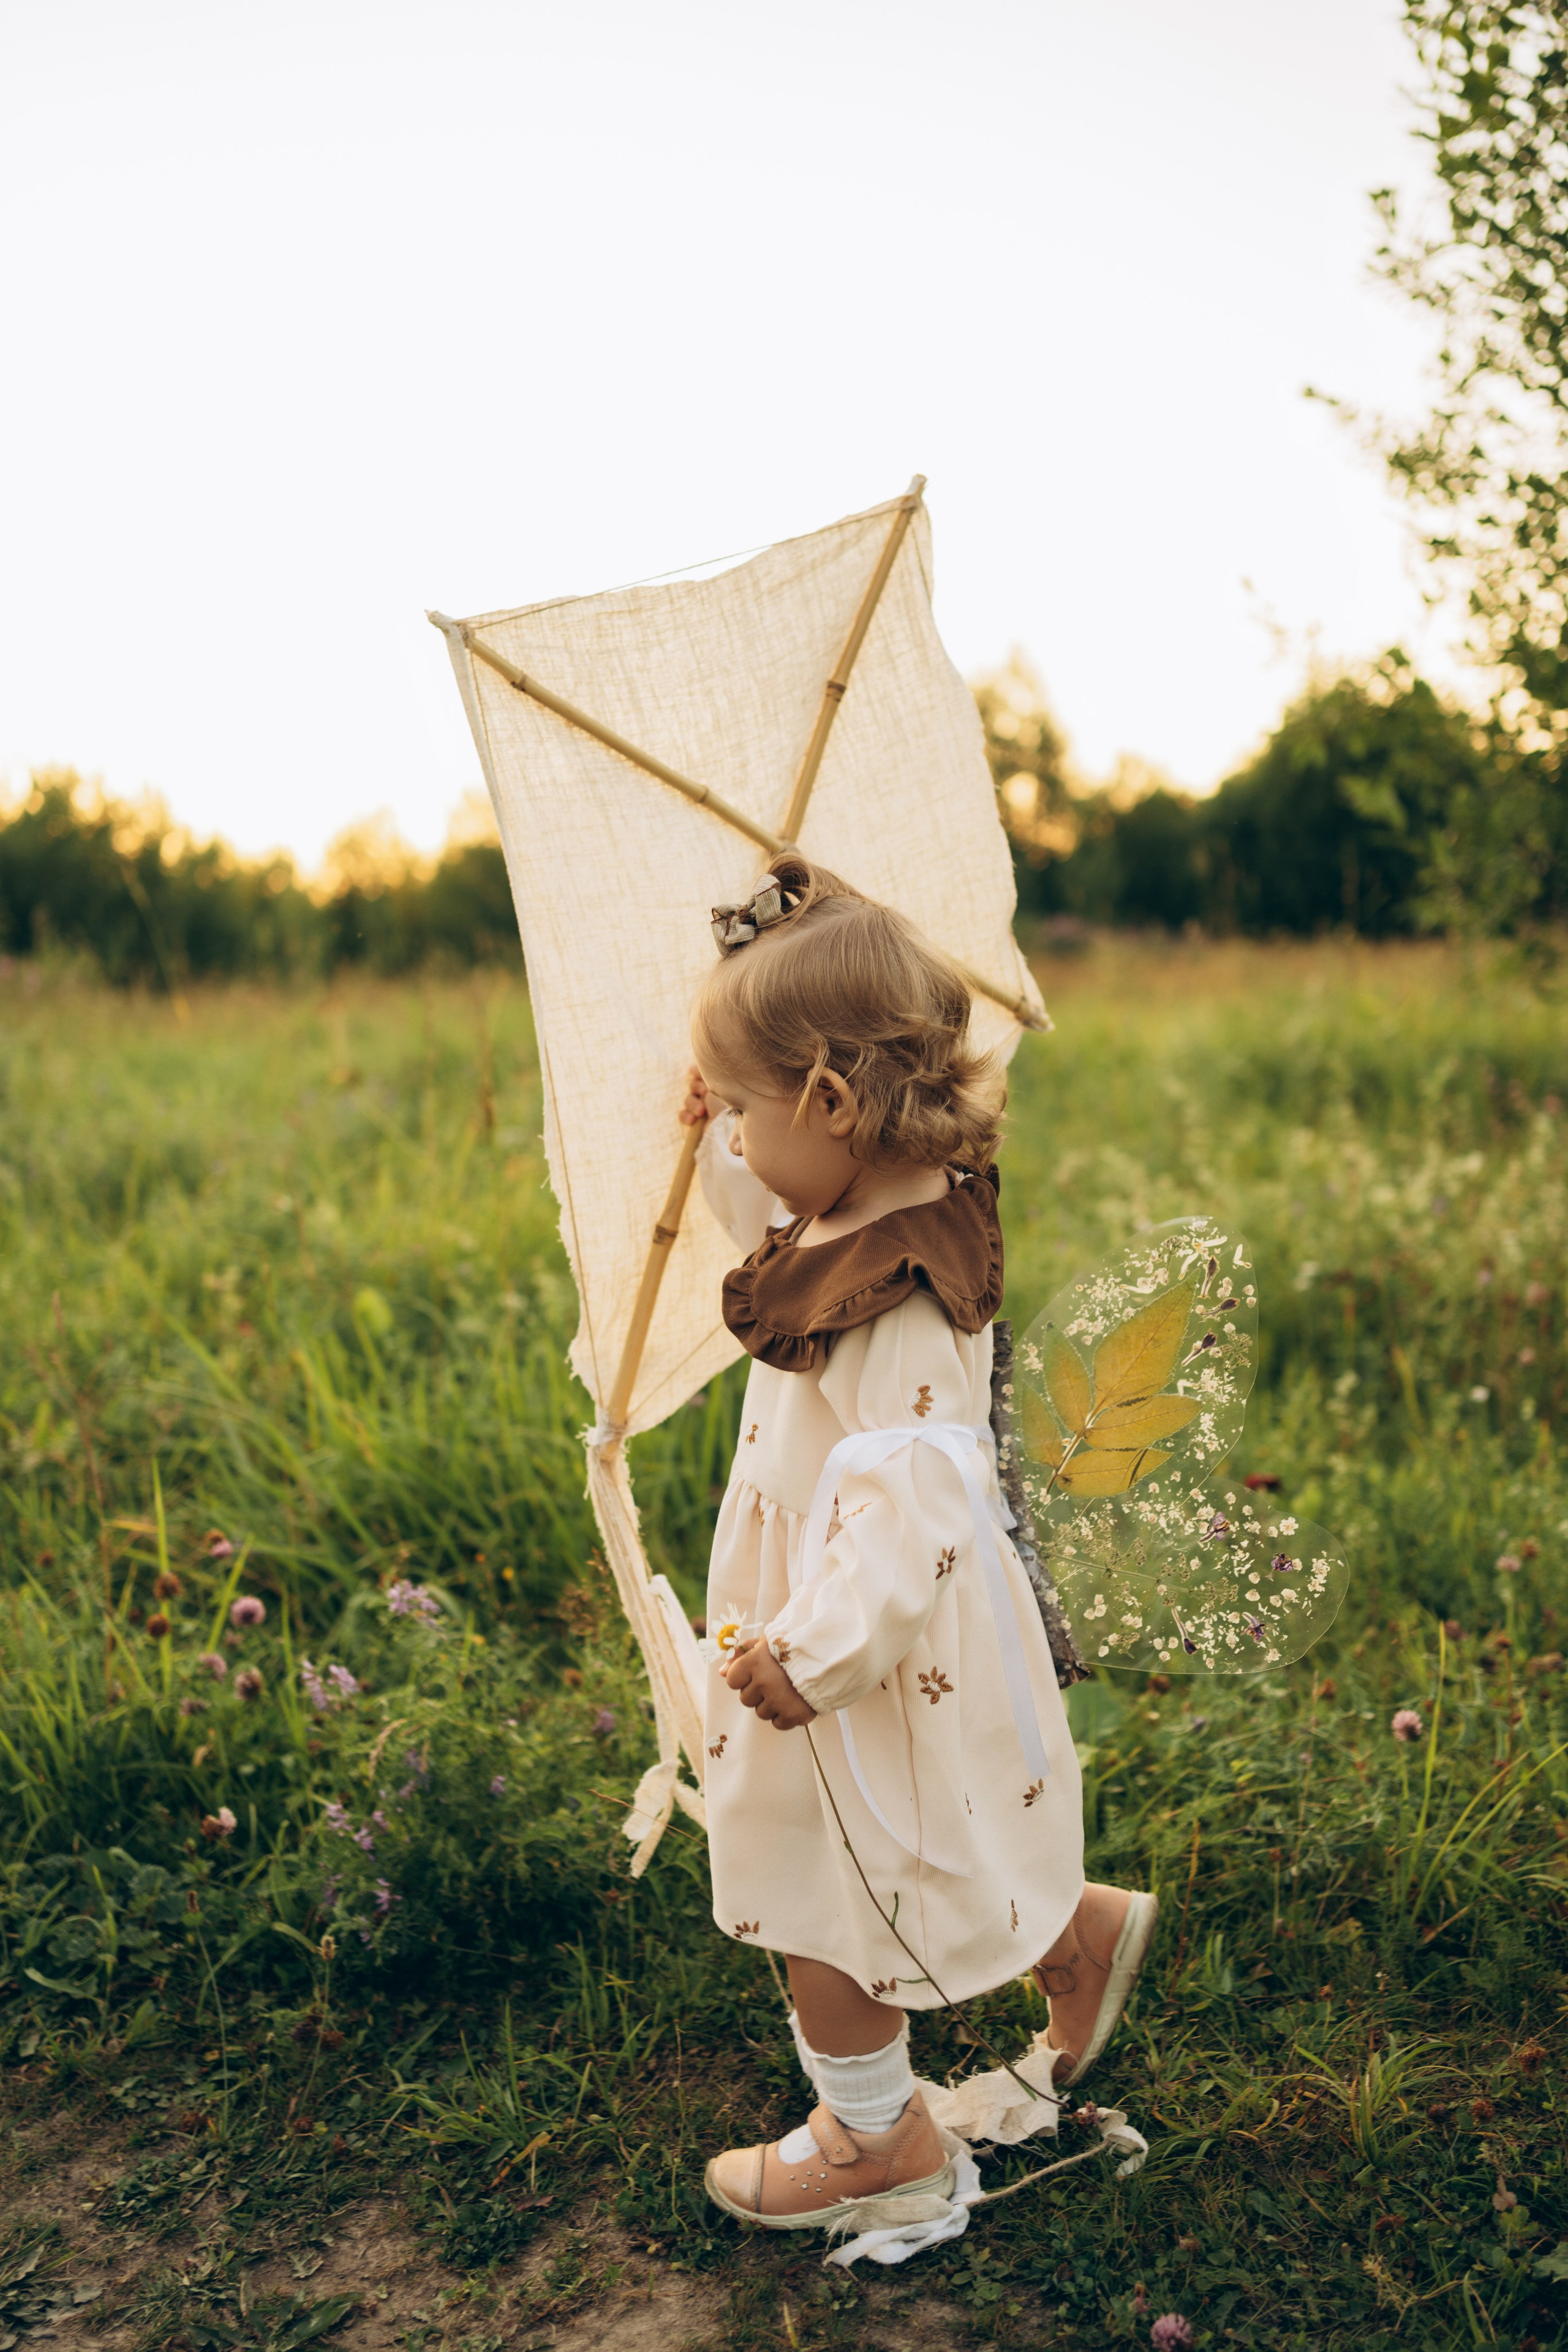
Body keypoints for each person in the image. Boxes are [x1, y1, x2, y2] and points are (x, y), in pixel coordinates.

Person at [680, 853, 1156, 2231]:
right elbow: (784, 1236)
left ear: (831, 1102)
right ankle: (1072, 1933)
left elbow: (913, 1501)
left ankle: (873, 2138)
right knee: (943, 1819)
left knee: (820, 1877)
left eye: (745, 1110)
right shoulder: (890, 1200)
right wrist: (721, 1142)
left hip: (856, 1629)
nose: (736, 1138)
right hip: (901, 1623)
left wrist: (813, 1654)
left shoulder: (892, 1298)